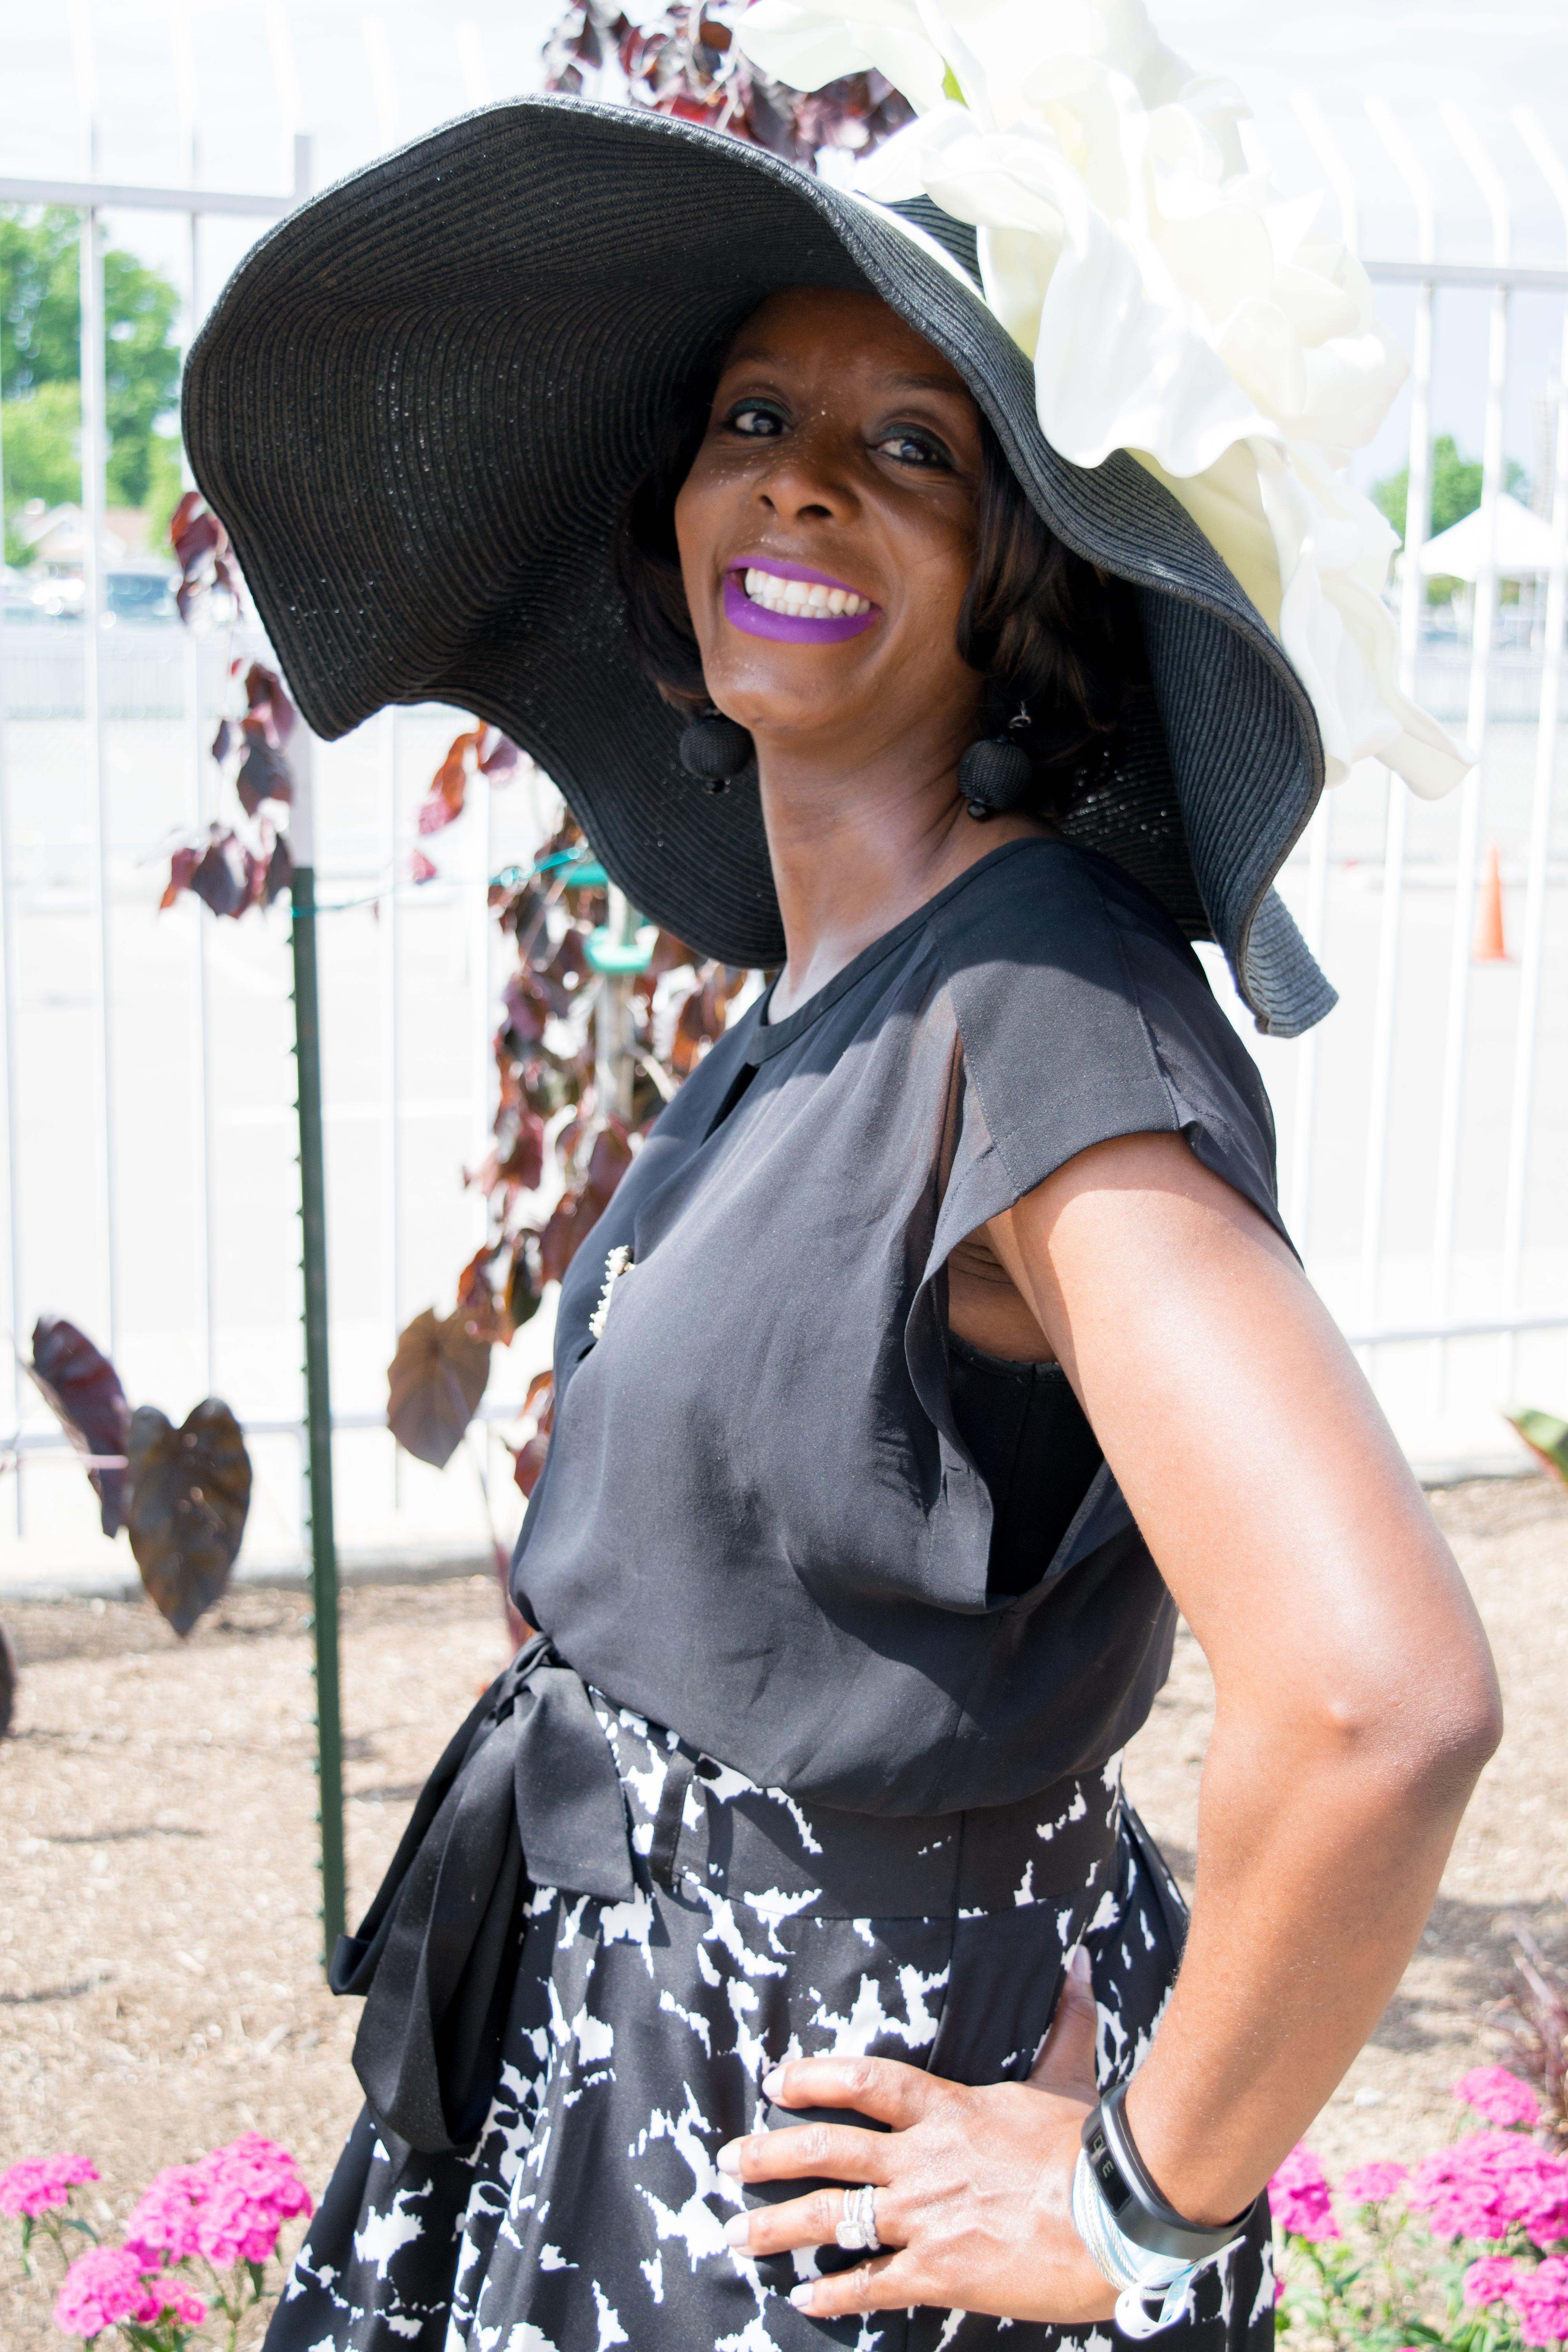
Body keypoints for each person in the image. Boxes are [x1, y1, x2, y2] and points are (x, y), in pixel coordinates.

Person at [185, 82, 1501, 2352]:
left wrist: (1135, 2209)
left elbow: (1381, 1695)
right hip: (640, 2074)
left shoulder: (1040, 1002)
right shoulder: (842, 982)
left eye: (916, 448)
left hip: (811, 2174)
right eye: (757, 414)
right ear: (674, 513)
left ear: (1025, 583)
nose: (801, 474)